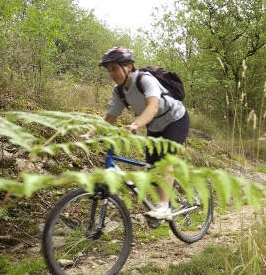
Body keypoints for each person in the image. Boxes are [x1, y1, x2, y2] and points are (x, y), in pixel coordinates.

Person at [80, 47, 190, 221]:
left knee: (165, 159)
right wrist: (89, 134)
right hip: (154, 126)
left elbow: (152, 107)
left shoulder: (145, 80)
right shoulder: (119, 91)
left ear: (128, 66)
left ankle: (164, 207)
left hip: (176, 119)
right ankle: (165, 200)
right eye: (109, 70)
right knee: (151, 169)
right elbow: (109, 118)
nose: (111, 73)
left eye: (115, 68)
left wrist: (135, 125)